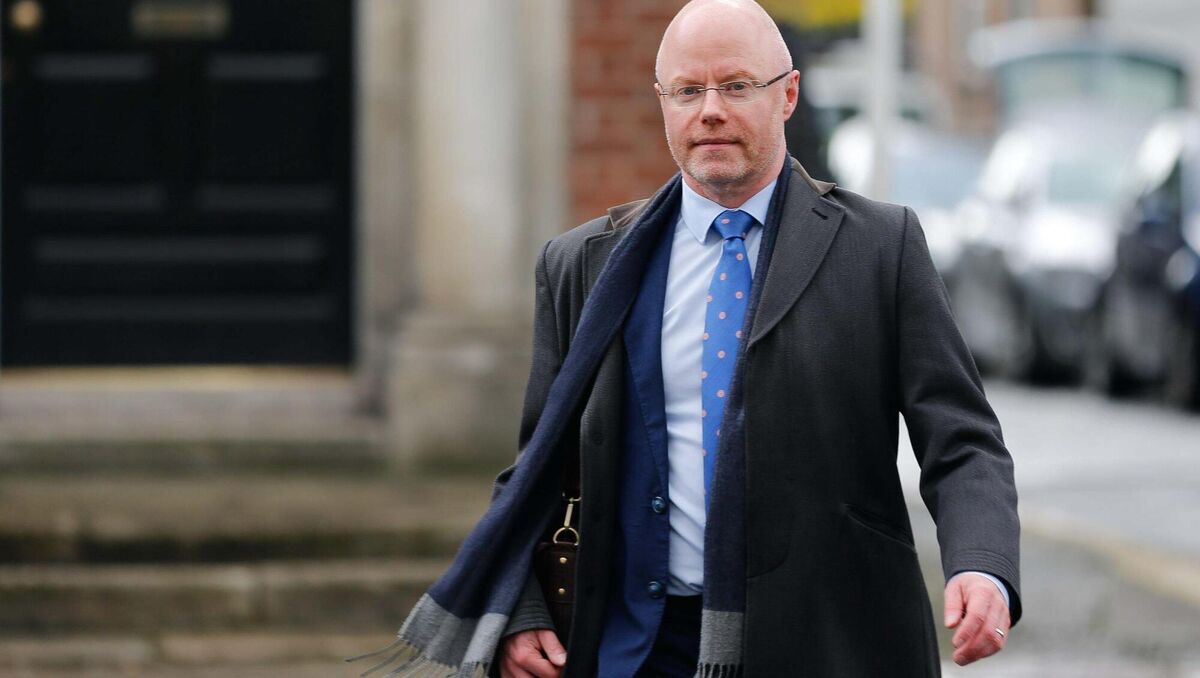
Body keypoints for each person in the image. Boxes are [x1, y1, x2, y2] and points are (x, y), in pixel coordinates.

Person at [349, 1, 1019, 677]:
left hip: (829, 638)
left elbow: (961, 439)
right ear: (662, 102)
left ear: (787, 94)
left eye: (736, 86)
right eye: (687, 91)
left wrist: (981, 565)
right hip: (635, 647)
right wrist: (524, 611)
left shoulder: (879, 247)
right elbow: (541, 468)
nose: (710, 111)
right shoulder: (584, 265)